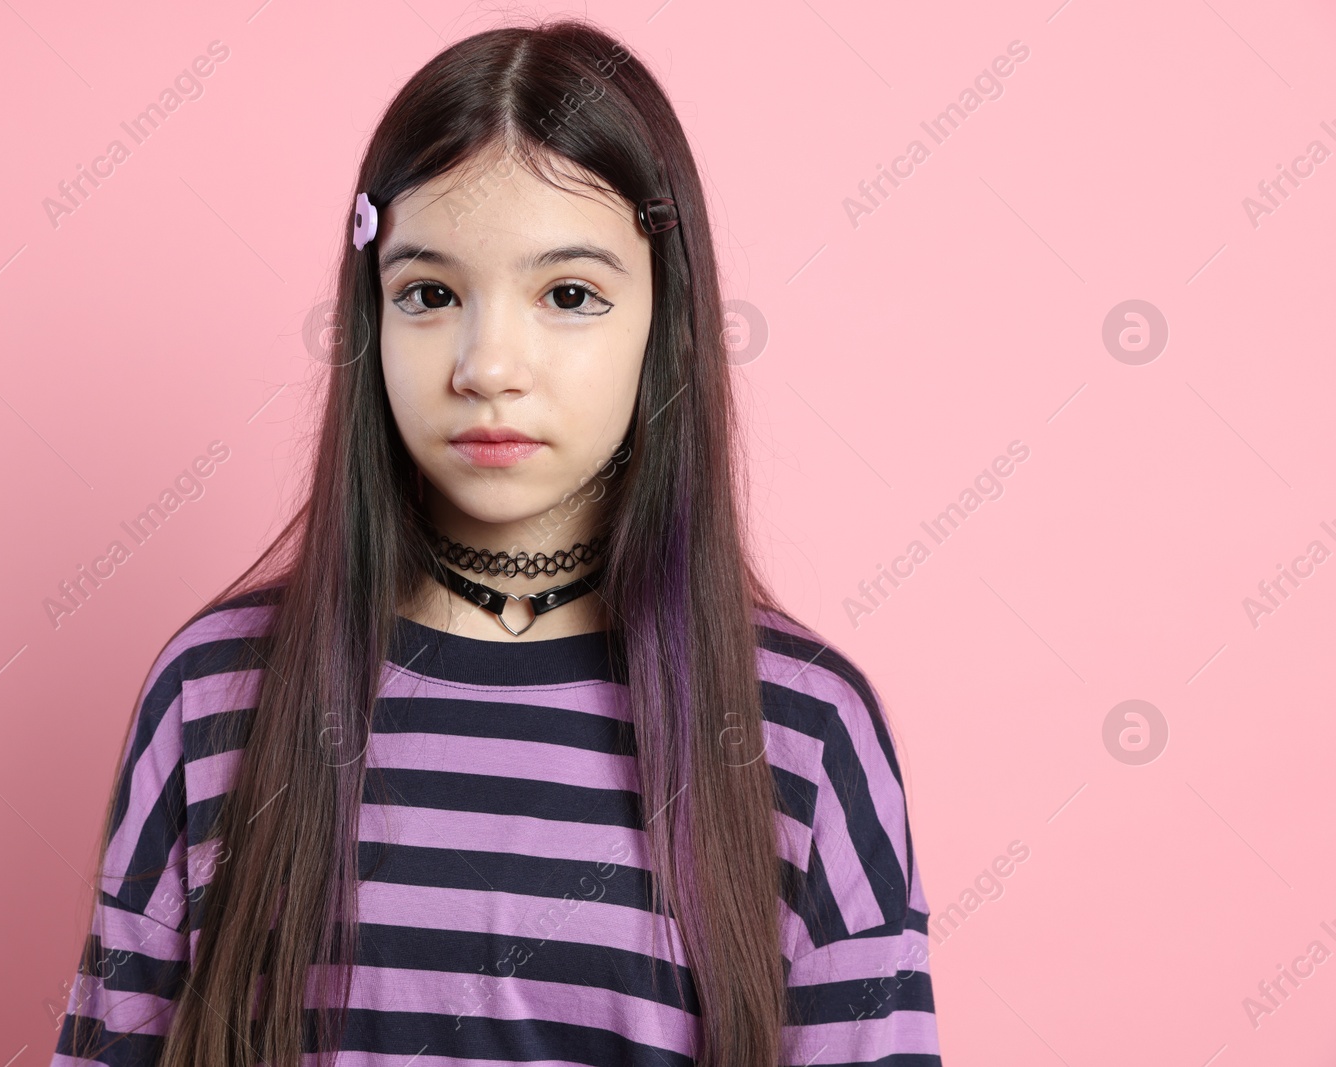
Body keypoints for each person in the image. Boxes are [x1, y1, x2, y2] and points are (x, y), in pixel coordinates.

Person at [51, 17, 941, 1067]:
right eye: (429, 293)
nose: (487, 363)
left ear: (666, 320)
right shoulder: (216, 694)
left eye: (568, 295)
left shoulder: (800, 728)